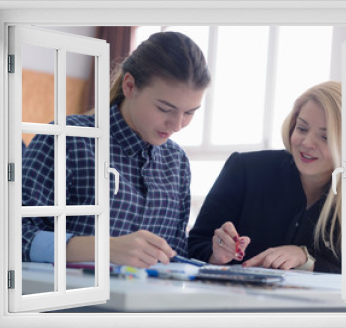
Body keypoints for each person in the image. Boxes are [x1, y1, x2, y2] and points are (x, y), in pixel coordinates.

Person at [22, 31, 211, 268]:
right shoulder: (67, 139)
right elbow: (12, 236)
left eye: (190, 112)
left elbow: (174, 257)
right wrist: (104, 248)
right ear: (130, 86)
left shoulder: (177, 162)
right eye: (164, 108)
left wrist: (215, 255)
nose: (177, 125)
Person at [188, 81, 346, 275]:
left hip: (315, 306)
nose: (306, 143)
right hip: (235, 301)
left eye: (325, 137)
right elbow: (194, 246)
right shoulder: (245, 170)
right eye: (302, 129)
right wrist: (216, 255)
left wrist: (307, 260)